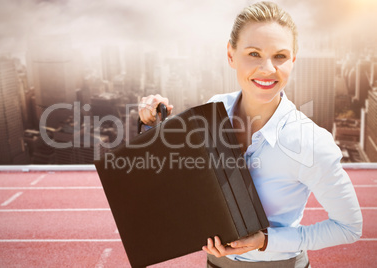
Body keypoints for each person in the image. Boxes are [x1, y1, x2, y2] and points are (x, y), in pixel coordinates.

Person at [138, 1, 362, 267]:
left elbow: (349, 227)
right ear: (231, 56)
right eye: (254, 54)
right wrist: (152, 123)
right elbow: (182, 176)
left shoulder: (310, 142)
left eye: (280, 56)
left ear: (293, 60)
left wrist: (267, 241)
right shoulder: (213, 109)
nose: (267, 69)